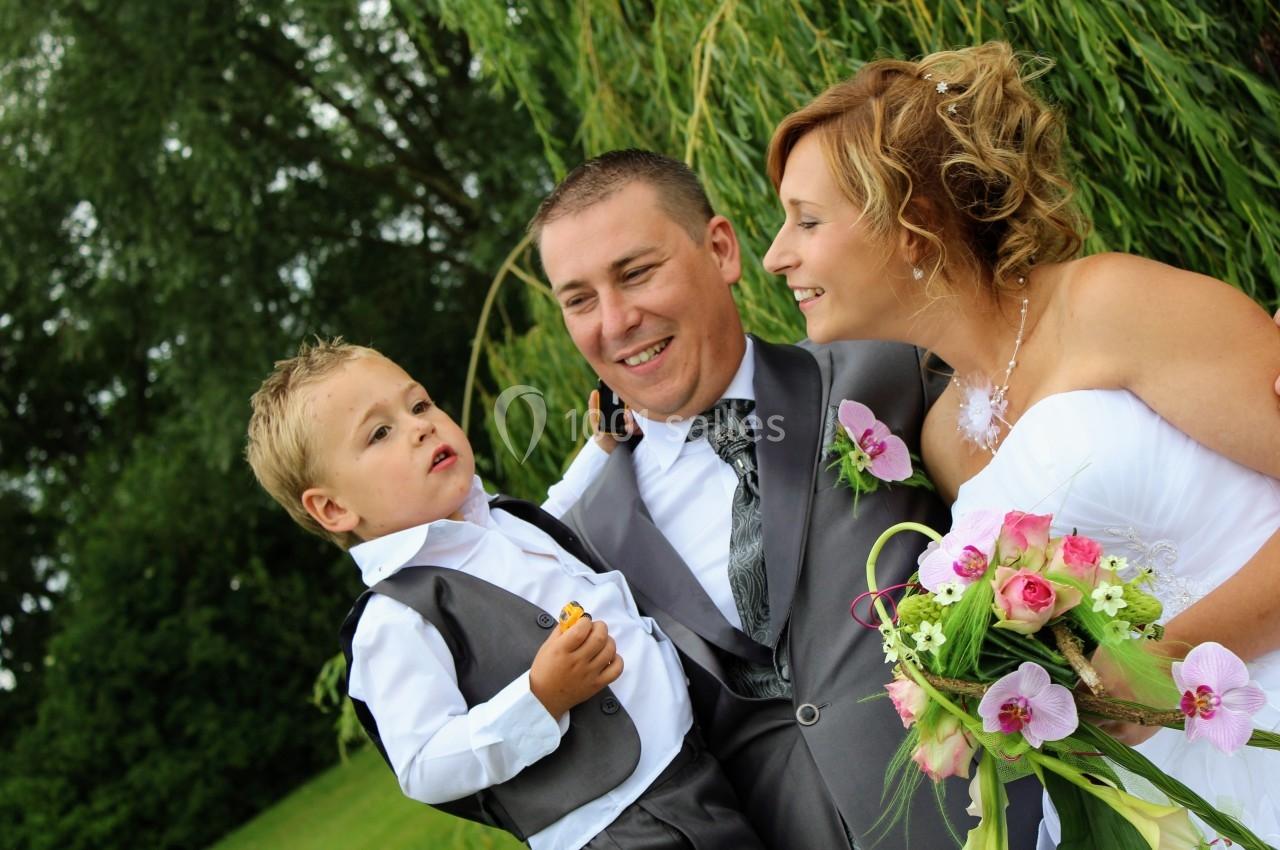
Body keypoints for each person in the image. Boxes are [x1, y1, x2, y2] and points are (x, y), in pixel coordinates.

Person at [762, 41, 1280, 845]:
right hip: (1184, 800)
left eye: (808, 220)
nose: (776, 257)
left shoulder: (1113, 305)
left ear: (913, 225)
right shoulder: (942, 440)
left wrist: (1169, 657)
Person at [533, 150, 1044, 849]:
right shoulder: (582, 538)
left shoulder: (888, 369)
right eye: (579, 299)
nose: (616, 319)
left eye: (636, 273)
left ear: (720, 249)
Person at [243, 339, 764, 850]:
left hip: (693, 761)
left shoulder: (495, 521)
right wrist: (539, 698)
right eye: (380, 432)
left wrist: (602, 443)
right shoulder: (395, 618)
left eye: (419, 404)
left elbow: (562, 508)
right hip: (625, 824)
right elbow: (423, 762)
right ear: (334, 509)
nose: (420, 426)